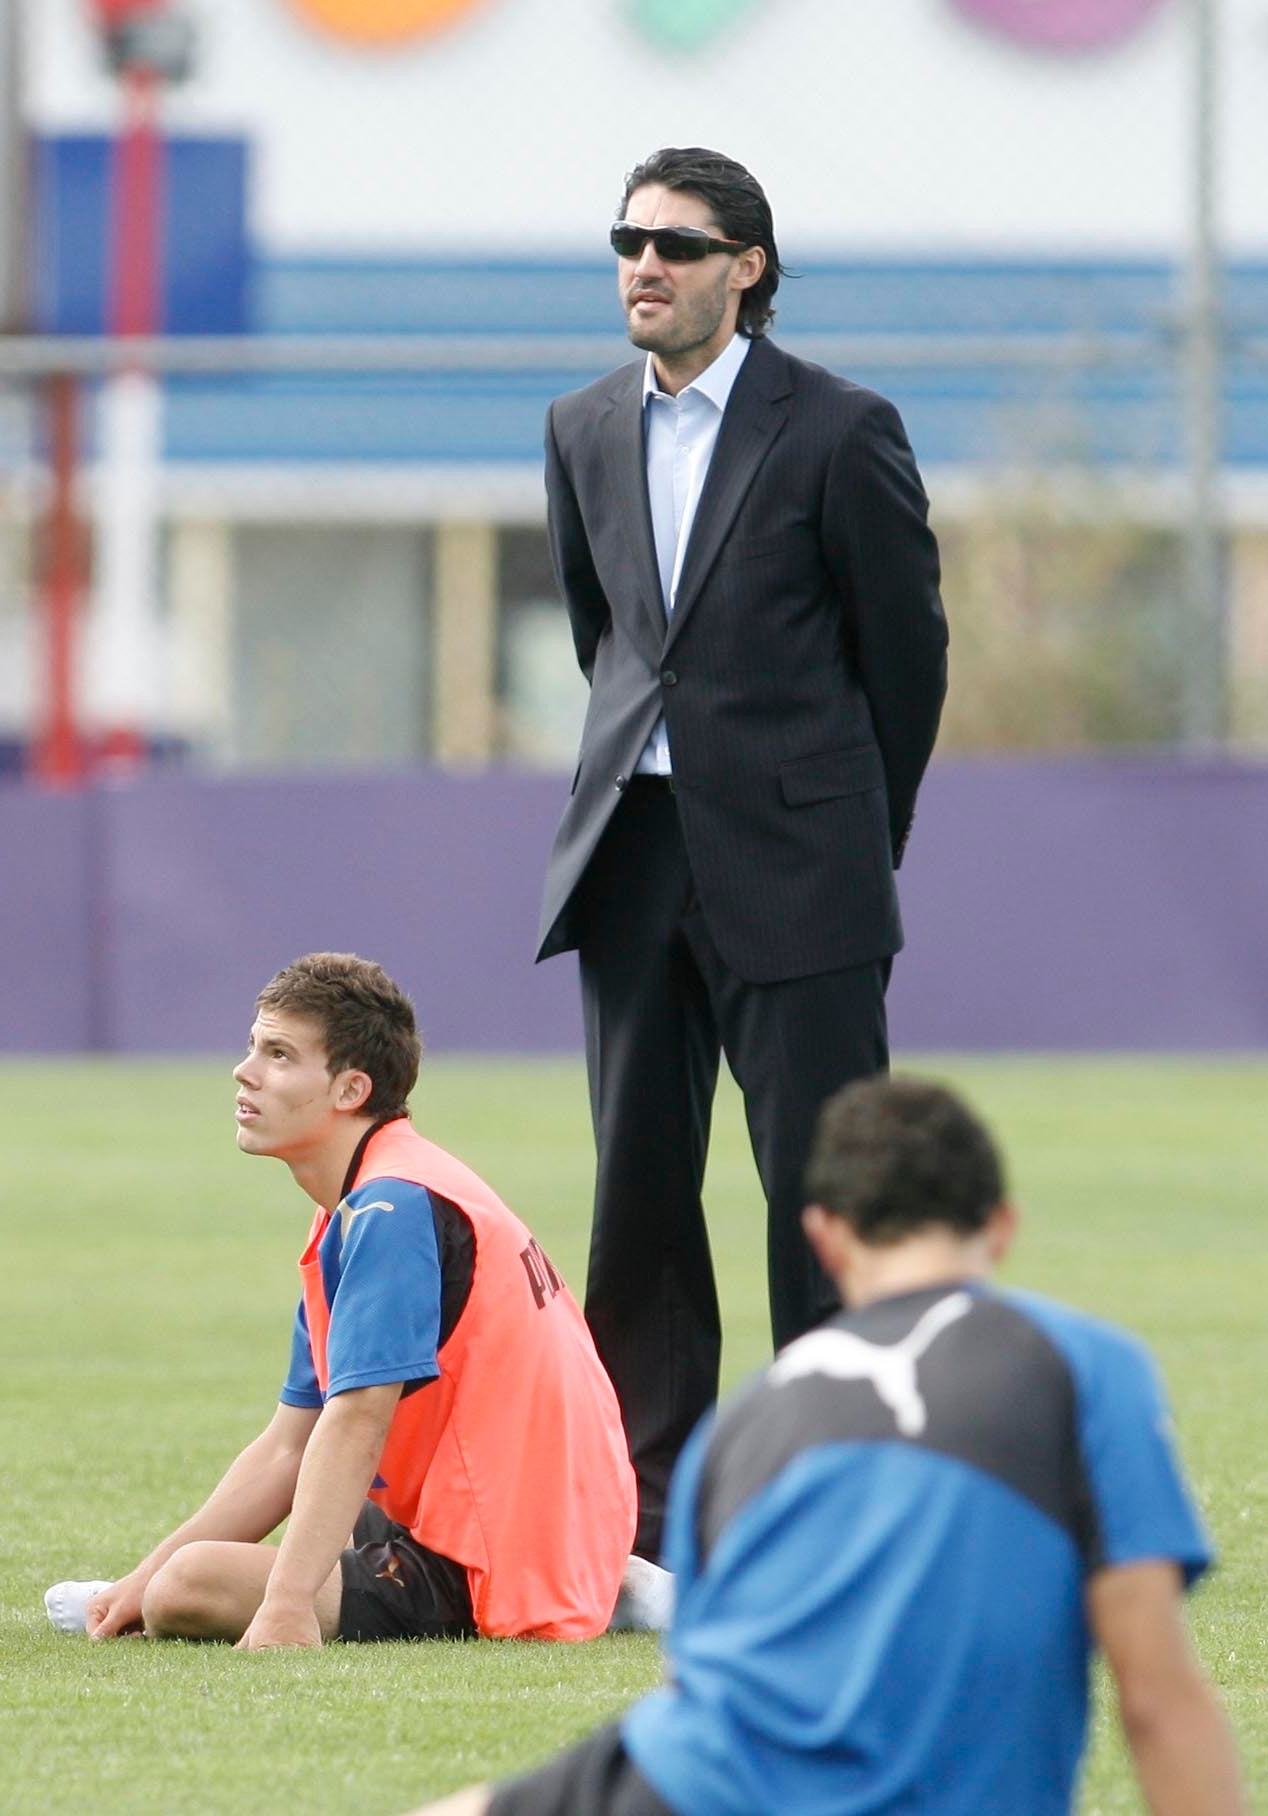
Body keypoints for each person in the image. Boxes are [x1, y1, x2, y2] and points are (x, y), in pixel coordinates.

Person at [413, 1076, 1242, 1816]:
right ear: (1000, 1224)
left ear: (824, 1235)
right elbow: (1155, 1698)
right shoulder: (1083, 1365)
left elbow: (701, 1685)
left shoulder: (741, 1423)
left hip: (687, 1779)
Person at [534, 146, 951, 1557]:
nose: (643, 265)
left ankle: (835, 1496)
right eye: (628, 240)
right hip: (634, 856)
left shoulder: (841, 428)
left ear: (745, 270)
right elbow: (612, 646)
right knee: (637, 1198)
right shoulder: (582, 426)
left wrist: (850, 838)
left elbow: (906, 657)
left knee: (825, 1198)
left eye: (676, 244)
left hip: (802, 870)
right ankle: (641, 1516)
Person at [66, 954, 638, 1650]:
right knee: (185, 1571)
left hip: (498, 1549)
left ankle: (597, 1586)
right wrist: (137, 1579)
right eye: (253, 1048)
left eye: (278, 1054)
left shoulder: (389, 1207)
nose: (245, 1071)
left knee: (193, 1587)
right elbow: (289, 1444)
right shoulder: (366, 1199)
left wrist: (283, 1607)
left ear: (350, 1089)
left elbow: (360, 1417)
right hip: (532, 1516)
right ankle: (613, 1580)